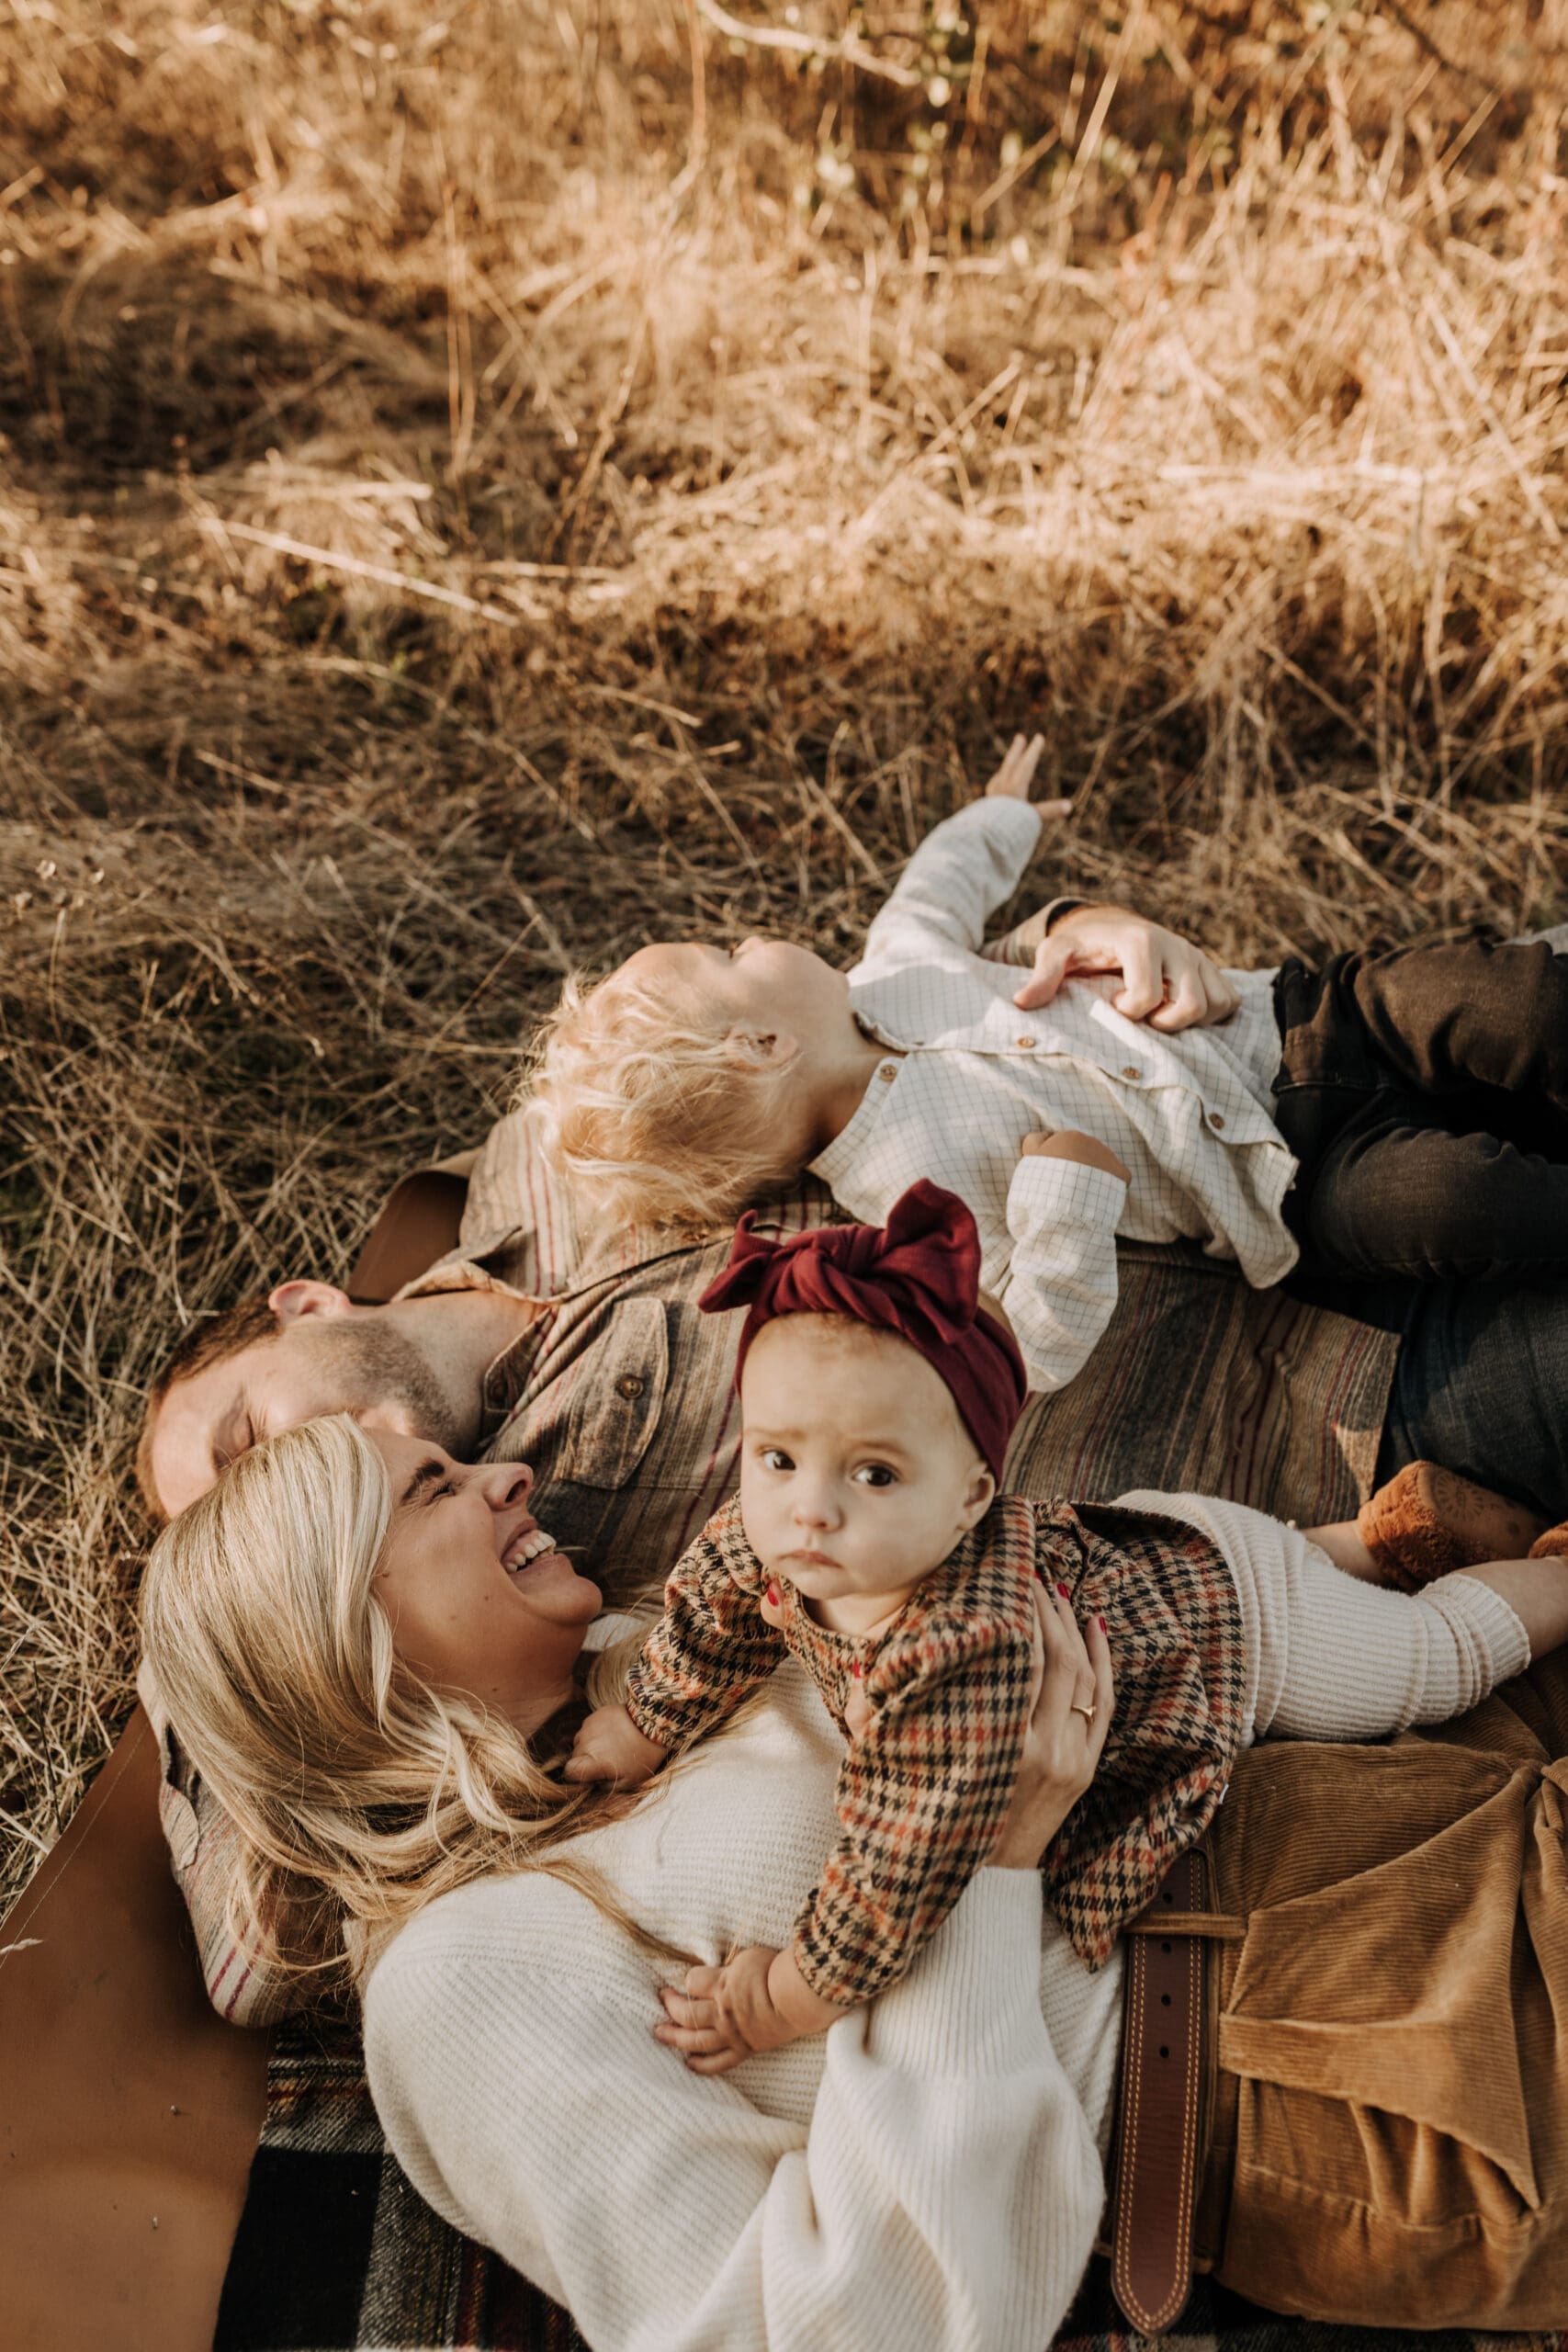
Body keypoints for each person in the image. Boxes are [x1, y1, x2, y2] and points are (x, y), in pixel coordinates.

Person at [138, 1411, 1568, 2347]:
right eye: (435, 1490)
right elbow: (815, 2328)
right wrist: (994, 1865)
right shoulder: (463, 1985)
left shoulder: (646, 1665)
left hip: (1374, 1795)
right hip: (1320, 2049)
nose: (505, 1473)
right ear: (352, 1646)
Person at [566, 1180, 1565, 2064]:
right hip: (1167, 1547)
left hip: (1245, 1637)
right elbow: (711, 1605)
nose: (811, 1507)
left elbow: (899, 1864)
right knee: (1301, 1560)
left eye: (874, 1473)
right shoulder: (773, 1534)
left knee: (1434, 1660)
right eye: (778, 1456)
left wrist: (783, 1997)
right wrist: (647, 1719)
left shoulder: (958, 1650)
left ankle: (1546, 1582)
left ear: (971, 1499)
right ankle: (1380, 1535)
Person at [527, 733, 1568, 1394]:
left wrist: (1001, 815)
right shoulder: (906, 1197)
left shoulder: (894, 967)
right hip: (1288, 1190)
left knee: (1506, 998)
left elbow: (938, 884)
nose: (753, 938)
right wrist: (1067, 1196)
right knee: (1466, 1202)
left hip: (1292, 1023)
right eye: (730, 956)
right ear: (762, 1044)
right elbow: (1033, 1342)